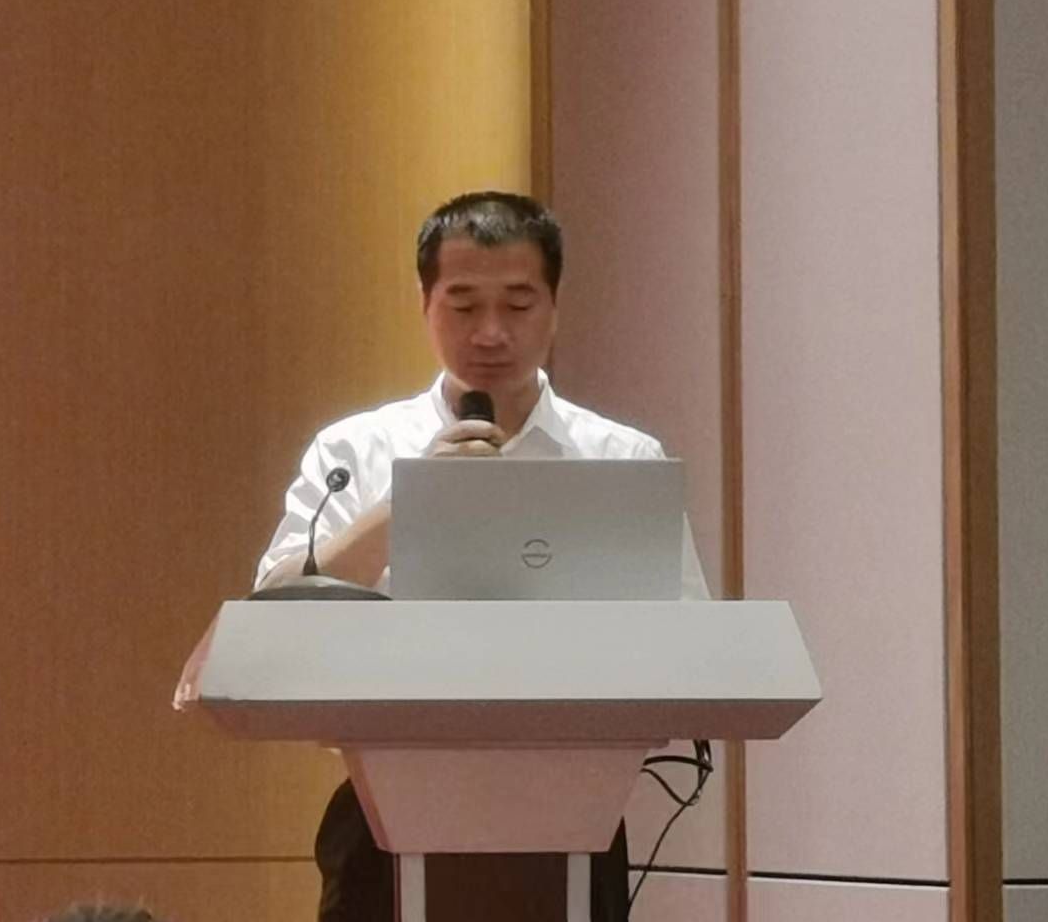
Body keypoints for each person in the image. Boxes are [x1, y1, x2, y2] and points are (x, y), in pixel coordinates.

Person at [254, 191, 710, 922]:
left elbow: (692, 639)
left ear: (555, 307)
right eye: (463, 305)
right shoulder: (355, 451)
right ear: (424, 303)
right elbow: (275, 612)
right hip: (382, 810)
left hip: (577, 812)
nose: (491, 332)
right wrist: (409, 502)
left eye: (519, 304)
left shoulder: (621, 458)